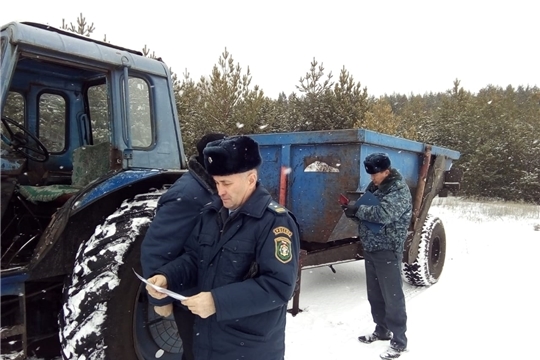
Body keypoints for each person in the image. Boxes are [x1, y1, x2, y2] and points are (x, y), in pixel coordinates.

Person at [145, 135, 300, 360]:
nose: (220, 191)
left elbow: (278, 286)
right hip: (207, 341)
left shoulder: (275, 222)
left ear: (250, 179)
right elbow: (194, 257)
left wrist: (217, 301)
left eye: (226, 183)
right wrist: (167, 276)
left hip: (248, 347)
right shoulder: (211, 214)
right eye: (217, 183)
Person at [140, 133, 226, 360]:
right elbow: (157, 247)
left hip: (213, 292)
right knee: (197, 351)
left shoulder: (216, 187)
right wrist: (160, 299)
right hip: (191, 293)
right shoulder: (187, 195)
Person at [341, 152, 412, 360]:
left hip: (388, 248)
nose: (372, 179)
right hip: (371, 246)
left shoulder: (398, 190)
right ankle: (381, 330)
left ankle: (399, 341)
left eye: (375, 175)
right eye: (370, 175)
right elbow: (368, 214)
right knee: (375, 294)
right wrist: (352, 212)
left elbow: (383, 214)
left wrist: (358, 209)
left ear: (387, 171)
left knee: (393, 297)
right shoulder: (376, 186)